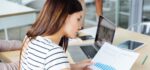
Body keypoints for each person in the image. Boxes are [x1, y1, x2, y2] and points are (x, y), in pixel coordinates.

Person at [19, 0, 92, 70]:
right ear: (64, 17)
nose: (80, 26)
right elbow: (53, 60)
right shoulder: (54, 53)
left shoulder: (30, 38)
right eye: (78, 19)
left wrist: (75, 66)